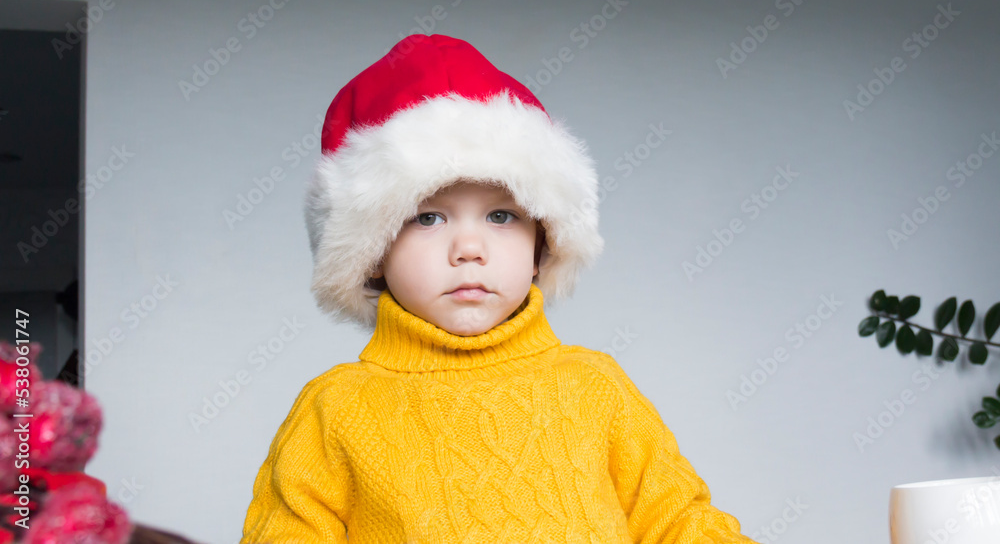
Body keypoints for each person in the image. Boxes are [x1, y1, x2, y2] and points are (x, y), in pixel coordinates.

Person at [240, 34, 758, 543]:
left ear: (543, 243)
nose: (469, 247)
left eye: (501, 214)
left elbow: (678, 523)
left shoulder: (595, 387)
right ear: (370, 254)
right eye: (427, 217)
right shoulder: (336, 410)